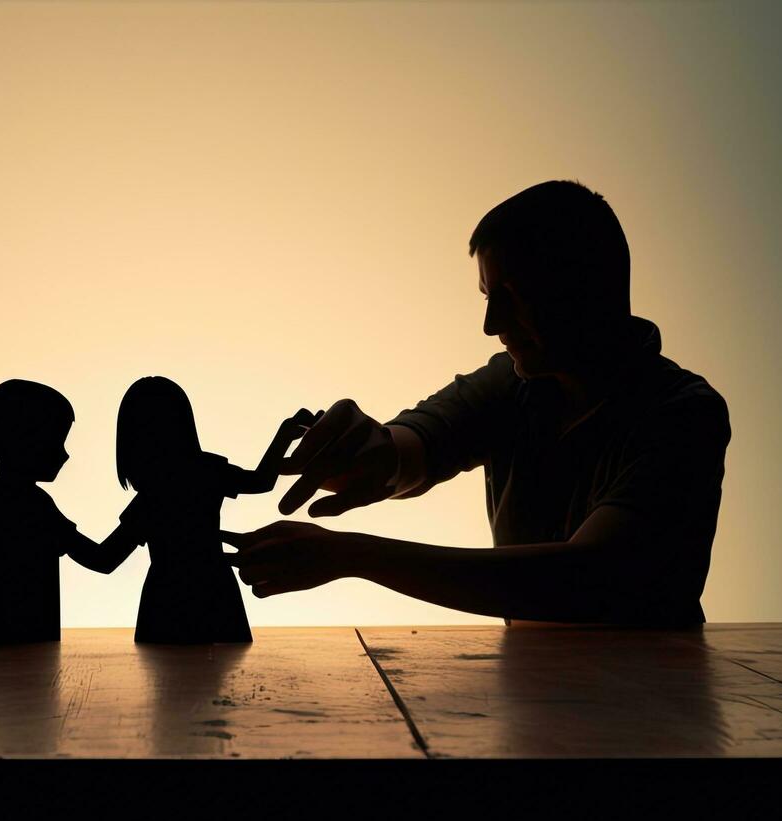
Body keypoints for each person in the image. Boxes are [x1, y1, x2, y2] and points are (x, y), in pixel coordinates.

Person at [225, 181, 731, 625]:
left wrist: (352, 555)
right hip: (538, 702)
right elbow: (416, 447)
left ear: (584, 288)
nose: (491, 325)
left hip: (661, 710)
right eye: (487, 296)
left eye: (513, 295)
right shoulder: (510, 384)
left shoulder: (683, 414)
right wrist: (369, 452)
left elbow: (589, 579)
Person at [114, 377, 314, 643]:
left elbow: (106, 559)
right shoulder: (206, 471)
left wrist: (60, 532)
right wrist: (284, 435)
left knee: (165, 670)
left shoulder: (153, 495)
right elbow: (261, 481)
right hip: (214, 586)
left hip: (166, 594)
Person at [0, 379, 137, 646]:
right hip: (35, 644)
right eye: (56, 442)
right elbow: (100, 559)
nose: (64, 455)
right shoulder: (37, 509)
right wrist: (144, 518)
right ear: (24, 441)